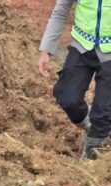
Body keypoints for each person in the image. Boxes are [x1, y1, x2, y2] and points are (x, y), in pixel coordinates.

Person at [38, 0, 111, 160]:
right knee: (67, 97)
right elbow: (60, 11)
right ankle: (91, 125)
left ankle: (91, 160)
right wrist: (46, 49)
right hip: (82, 46)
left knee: (103, 112)